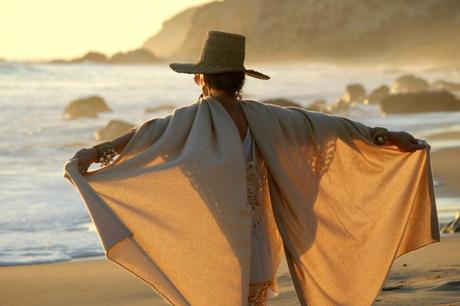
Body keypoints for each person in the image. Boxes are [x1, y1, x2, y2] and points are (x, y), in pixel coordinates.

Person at [66, 31, 438, 306]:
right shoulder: (270, 119)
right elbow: (328, 126)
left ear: (201, 78)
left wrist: (95, 153)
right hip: (260, 242)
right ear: (241, 79)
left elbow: (143, 137)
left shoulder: (187, 121)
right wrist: (384, 135)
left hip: (214, 243)